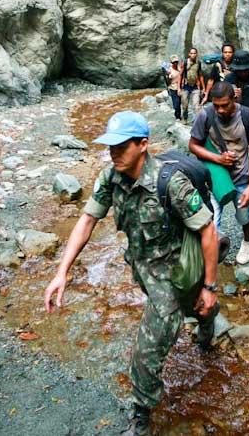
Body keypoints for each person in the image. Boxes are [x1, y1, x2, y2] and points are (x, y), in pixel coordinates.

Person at [43, 112, 220, 435]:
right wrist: (62, 272)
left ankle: (141, 414)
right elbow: (86, 221)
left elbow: (207, 231)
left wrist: (209, 285)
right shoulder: (111, 177)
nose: (113, 153)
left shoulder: (172, 184)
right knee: (195, 308)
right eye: (110, 146)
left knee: (146, 351)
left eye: (121, 147)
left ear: (142, 145)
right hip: (143, 269)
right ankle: (207, 321)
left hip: (175, 272)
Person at [188, 82, 249, 265]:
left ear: (234, 99)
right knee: (211, 220)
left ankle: (246, 243)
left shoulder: (248, 116)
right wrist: (218, 159)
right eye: (216, 105)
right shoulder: (205, 115)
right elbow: (193, 145)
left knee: (244, 216)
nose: (220, 110)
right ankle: (213, 254)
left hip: (242, 177)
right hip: (215, 178)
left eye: (225, 105)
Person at [180, 47, 206, 123]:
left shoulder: (199, 63)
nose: (193, 55)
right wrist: (179, 88)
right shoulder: (185, 62)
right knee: (185, 106)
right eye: (191, 53)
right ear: (189, 54)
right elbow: (180, 75)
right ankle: (185, 118)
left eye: (194, 53)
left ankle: (198, 122)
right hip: (186, 86)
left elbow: (200, 76)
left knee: (196, 105)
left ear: (197, 54)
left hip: (195, 87)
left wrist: (203, 88)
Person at [163, 56, 183, 120]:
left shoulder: (180, 68)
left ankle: (179, 116)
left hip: (180, 87)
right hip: (173, 88)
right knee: (176, 104)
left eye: (176, 62)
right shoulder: (169, 70)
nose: (175, 63)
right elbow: (167, 81)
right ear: (171, 62)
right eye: (174, 62)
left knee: (179, 103)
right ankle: (177, 117)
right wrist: (168, 77)